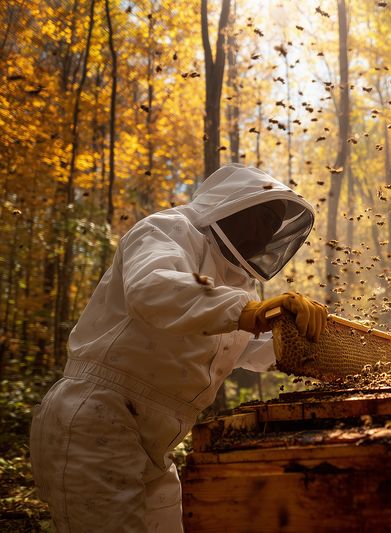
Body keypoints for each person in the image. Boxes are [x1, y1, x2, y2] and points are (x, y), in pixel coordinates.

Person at [29, 164, 328, 531]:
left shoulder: (238, 286)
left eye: (274, 228)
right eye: (265, 219)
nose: (267, 236)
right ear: (234, 205)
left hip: (158, 443)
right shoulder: (169, 229)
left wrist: (308, 344)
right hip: (96, 418)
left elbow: (248, 346)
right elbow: (153, 290)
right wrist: (246, 311)